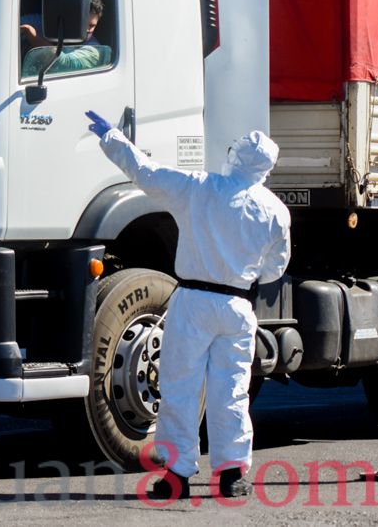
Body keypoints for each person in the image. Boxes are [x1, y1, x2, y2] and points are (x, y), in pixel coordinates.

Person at [85, 111, 292, 499]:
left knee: (179, 387)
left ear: (234, 156)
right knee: (231, 390)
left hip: (193, 302)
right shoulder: (275, 211)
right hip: (237, 306)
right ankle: (232, 474)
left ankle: (177, 474)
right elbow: (274, 268)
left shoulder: (199, 187)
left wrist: (112, 137)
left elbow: (145, 171)